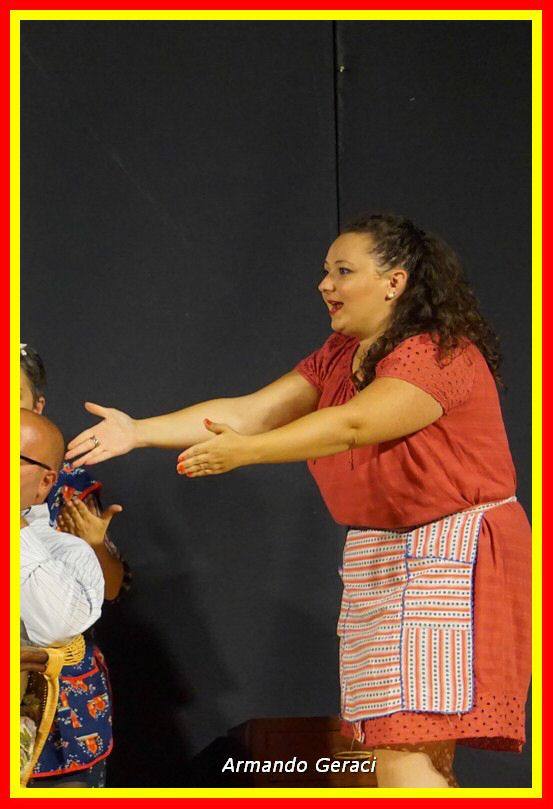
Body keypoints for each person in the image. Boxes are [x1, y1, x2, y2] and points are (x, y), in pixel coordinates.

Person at [65, 213, 531, 788]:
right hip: (385, 554)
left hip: (450, 554)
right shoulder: (340, 353)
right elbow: (251, 411)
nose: (325, 284)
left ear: (395, 282)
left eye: (343, 271)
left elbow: (354, 424)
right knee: (401, 746)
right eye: (325, 271)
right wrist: (138, 431)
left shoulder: (438, 354)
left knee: (406, 748)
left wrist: (247, 452)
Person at [20, 345, 131, 788]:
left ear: (38, 404)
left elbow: (107, 589)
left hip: (56, 692)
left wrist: (95, 546)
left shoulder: (63, 483)